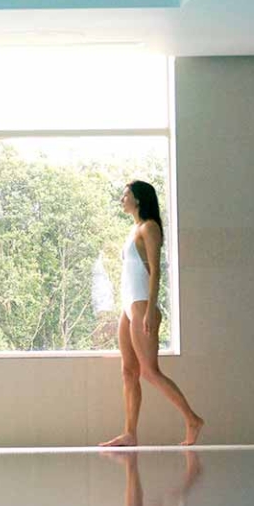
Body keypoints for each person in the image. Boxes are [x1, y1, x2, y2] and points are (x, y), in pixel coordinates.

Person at [100, 180, 204, 447]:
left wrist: (150, 309)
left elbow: (156, 271)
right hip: (129, 305)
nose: (122, 199)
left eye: (125, 195)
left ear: (139, 199)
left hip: (142, 304)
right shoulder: (134, 228)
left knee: (149, 371)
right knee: (128, 371)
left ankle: (192, 419)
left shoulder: (149, 228)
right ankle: (130, 434)